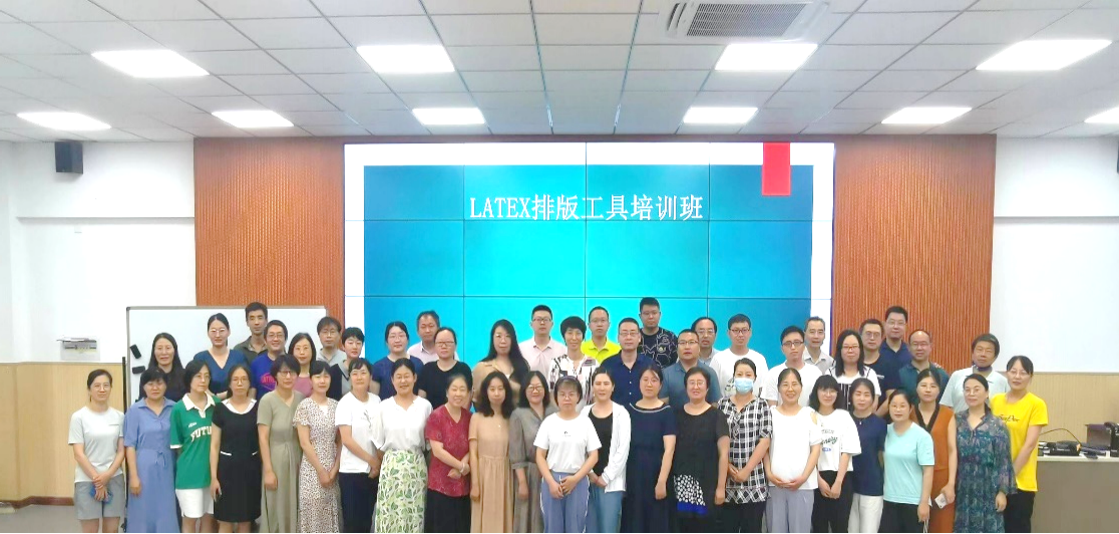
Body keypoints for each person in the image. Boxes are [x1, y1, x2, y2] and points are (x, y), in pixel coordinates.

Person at [371, 359, 433, 533]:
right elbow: (378, 445)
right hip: (391, 469)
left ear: (414, 378)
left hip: (416, 467)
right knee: (390, 516)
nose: (403, 380)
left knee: (414, 516)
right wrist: (395, 460)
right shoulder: (383, 407)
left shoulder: (425, 406)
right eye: (398, 377)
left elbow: (429, 445)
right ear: (392, 380)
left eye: (407, 376)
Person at [536, 376, 601, 534]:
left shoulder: (585, 422)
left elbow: (594, 455)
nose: (567, 398)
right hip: (553, 481)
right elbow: (540, 455)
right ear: (556, 397)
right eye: (562, 394)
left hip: (577, 481)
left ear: (578, 397)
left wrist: (575, 479)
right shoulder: (549, 422)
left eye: (571, 394)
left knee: (576, 527)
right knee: (552, 528)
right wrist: (551, 482)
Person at [991, 356, 1048, 534]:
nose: (1017, 376)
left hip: (1020, 483)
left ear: (1030, 376)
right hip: (993, 480)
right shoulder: (995, 401)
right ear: (1006, 374)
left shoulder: (1036, 404)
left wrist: (1007, 480)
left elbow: (1029, 445)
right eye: (1013, 371)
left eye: (1023, 373)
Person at [954, 374, 1016, 533]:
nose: (971, 394)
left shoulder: (997, 425)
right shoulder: (956, 421)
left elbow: (1004, 461)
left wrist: (1002, 492)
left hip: (988, 488)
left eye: (976, 389)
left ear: (987, 393)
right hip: (962, 488)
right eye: (967, 390)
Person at [715, 357, 770, 534]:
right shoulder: (722, 404)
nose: (743, 378)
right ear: (733, 377)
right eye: (739, 374)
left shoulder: (762, 405)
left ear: (755, 378)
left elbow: (765, 440)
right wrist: (727, 466)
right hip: (726, 481)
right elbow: (715, 438)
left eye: (748, 375)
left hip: (754, 481)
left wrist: (746, 470)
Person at [764, 368, 822, 534]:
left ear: (801, 388)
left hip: (803, 486)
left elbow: (816, 449)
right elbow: (764, 448)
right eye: (785, 385)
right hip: (775, 485)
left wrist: (804, 477)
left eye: (794, 384)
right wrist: (769, 474)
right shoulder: (770, 414)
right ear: (778, 388)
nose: (790, 389)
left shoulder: (810, 414)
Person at [672, 367, 730, 533]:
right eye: (692, 383)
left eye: (700, 383)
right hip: (680, 486)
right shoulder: (675, 415)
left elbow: (723, 454)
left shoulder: (717, 416)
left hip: (708, 486)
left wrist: (721, 487)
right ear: (686, 387)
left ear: (707, 387)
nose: (696, 387)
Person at [620, 366, 677, 533]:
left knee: (656, 522)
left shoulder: (667, 412)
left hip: (657, 475)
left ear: (661, 385)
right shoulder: (628, 411)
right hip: (633, 476)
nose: (649, 384)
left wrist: (661, 481)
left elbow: (669, 449)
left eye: (654, 380)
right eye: (645, 380)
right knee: (633, 522)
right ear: (639, 383)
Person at [70, 369, 125, 534]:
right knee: (90, 530)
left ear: (111, 388)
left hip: (113, 478)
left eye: (106, 385)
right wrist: (98, 480)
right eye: (97, 386)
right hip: (87, 479)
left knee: (112, 529)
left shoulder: (119, 416)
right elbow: (79, 454)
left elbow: (121, 451)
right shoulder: (79, 417)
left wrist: (107, 475)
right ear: (89, 389)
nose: (102, 389)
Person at [125, 368, 178, 533]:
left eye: (159, 383)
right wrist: (133, 476)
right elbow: (130, 445)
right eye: (150, 384)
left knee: (166, 510)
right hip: (143, 467)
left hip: (168, 467)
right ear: (143, 386)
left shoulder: (174, 408)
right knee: (142, 511)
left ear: (166, 385)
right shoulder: (135, 410)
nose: (155, 387)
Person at [209, 364, 261, 532]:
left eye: (244, 379)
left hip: (251, 470)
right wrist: (213, 477)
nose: (240, 383)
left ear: (249, 383)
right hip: (226, 471)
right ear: (229, 384)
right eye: (235, 379)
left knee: (246, 520)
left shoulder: (258, 407)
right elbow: (214, 445)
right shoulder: (220, 408)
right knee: (225, 520)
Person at [257, 355, 304, 533]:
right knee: (276, 503)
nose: (288, 377)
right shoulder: (267, 400)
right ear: (275, 375)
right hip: (276, 459)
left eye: (292, 373)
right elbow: (263, 437)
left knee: (297, 502)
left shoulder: (301, 398)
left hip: (298, 457)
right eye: (284, 372)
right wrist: (268, 470)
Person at [809, 375, 861, 534]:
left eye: (832, 391)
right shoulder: (810, 416)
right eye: (824, 390)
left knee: (840, 526)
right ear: (816, 392)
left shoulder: (844, 416)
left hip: (841, 477)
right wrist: (818, 480)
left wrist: (839, 482)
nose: (828, 394)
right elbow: (807, 452)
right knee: (818, 526)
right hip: (815, 477)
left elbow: (847, 451)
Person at [294, 361, 342, 533]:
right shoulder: (304, 406)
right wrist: (321, 471)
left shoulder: (337, 406)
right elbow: (304, 442)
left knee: (331, 512)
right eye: (318, 376)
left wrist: (335, 469)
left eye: (326, 376)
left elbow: (340, 440)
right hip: (312, 468)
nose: (322, 380)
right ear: (311, 380)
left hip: (332, 465)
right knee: (313, 512)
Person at [171, 361, 217, 534]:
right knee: (190, 520)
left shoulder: (217, 404)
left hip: (213, 476)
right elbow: (178, 447)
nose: (203, 380)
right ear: (189, 379)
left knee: (209, 519)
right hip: (189, 477)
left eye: (206, 376)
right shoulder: (178, 409)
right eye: (198, 376)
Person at [336, 359, 381, 534]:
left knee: (368, 520)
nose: (359, 377)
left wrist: (377, 463)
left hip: (373, 472)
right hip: (352, 472)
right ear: (350, 377)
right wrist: (372, 460)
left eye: (363, 373)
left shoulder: (377, 401)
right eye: (355, 373)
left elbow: (380, 434)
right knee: (353, 524)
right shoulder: (345, 403)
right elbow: (347, 440)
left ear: (370, 376)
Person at [583, 369, 631, 534]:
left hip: (611, 483)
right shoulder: (584, 412)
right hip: (586, 481)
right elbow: (580, 447)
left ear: (613, 387)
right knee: (589, 528)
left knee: (609, 528)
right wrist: (590, 473)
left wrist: (606, 476)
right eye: (598, 383)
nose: (601, 387)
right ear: (592, 387)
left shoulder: (621, 413)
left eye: (606, 383)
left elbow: (622, 449)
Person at [424, 374, 473, 534]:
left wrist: (462, 469)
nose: (458, 393)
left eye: (462, 390)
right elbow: (438, 451)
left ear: (468, 393)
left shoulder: (470, 418)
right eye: (454, 389)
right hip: (440, 485)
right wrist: (462, 466)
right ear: (447, 392)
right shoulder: (436, 416)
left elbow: (472, 447)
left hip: (462, 484)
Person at [509, 371, 557, 534]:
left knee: (551, 518)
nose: (535, 391)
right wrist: (522, 482)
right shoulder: (518, 414)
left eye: (538, 387)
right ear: (524, 390)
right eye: (531, 387)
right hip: (530, 473)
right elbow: (516, 453)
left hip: (553, 472)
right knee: (529, 518)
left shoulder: (554, 411)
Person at [881, 390, 934, 533]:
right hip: (889, 499)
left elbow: (928, 471)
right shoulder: (884, 431)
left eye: (902, 406)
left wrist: (924, 502)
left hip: (914, 501)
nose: (898, 410)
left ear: (911, 408)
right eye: (894, 406)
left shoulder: (922, 436)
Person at [912, 369, 958, 534]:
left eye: (933, 386)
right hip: (914, 477)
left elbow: (952, 450)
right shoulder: (908, 412)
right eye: (923, 385)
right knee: (914, 523)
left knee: (941, 525)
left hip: (941, 477)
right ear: (916, 388)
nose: (928, 390)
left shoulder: (948, 414)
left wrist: (951, 483)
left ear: (939, 390)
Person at [470, 371, 515, 533]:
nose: (496, 393)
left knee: (505, 519)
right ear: (486, 392)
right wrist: (475, 484)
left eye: (500, 389)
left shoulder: (512, 418)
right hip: (483, 476)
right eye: (492, 389)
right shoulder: (477, 418)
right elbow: (473, 454)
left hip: (506, 475)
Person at [848, 379, 886, 534]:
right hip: (847, 486)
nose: (862, 398)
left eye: (866, 395)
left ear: (873, 398)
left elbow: (882, 457)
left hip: (872, 486)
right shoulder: (844, 420)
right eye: (858, 394)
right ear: (851, 396)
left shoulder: (880, 424)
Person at [941, 334, 1011, 414]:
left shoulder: (1003, 382)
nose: (983, 354)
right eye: (979, 350)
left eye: (988, 351)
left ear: (995, 357)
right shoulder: (957, 376)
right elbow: (945, 407)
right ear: (972, 354)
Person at [194, 313, 252, 400]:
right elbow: (196, 383)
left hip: (236, 403)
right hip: (207, 404)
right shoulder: (200, 358)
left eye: (221, 331)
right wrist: (214, 398)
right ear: (208, 333)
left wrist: (220, 396)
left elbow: (246, 382)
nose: (217, 335)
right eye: (213, 331)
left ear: (228, 332)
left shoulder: (239, 357)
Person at [547, 316, 600, 410]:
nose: (574, 337)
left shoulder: (593, 363)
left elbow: (596, 395)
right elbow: (551, 394)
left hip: (587, 415)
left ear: (583, 336)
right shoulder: (556, 363)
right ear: (564, 336)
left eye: (578, 333)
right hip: (562, 415)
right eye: (570, 333)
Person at [762, 326, 822, 407]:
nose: (793, 347)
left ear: (804, 346)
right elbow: (771, 408)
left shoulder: (815, 373)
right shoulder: (773, 374)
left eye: (797, 343)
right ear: (782, 349)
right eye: (788, 344)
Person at [599, 317, 653, 407]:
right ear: (618, 338)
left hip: (644, 413)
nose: (628, 337)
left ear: (639, 337)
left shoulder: (649, 364)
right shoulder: (607, 364)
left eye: (632, 333)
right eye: (624, 334)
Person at [474, 319, 530, 406]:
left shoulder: (523, 365)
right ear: (492, 339)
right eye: (498, 336)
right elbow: (476, 399)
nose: (503, 341)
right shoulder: (482, 367)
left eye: (507, 336)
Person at [711, 314, 769, 398]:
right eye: (736, 330)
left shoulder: (759, 359)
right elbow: (712, 388)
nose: (740, 335)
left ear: (750, 332)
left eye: (744, 330)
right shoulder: (718, 359)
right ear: (728, 333)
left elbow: (764, 389)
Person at [417, 327, 473, 410]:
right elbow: (421, 399)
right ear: (435, 346)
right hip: (432, 416)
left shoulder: (464, 369)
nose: (444, 346)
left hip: (458, 416)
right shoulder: (427, 369)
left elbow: (468, 397)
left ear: (455, 346)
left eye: (448, 342)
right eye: (440, 343)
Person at [662, 329, 720, 407]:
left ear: (699, 347)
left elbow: (715, 403)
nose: (687, 347)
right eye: (682, 343)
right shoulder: (666, 374)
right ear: (677, 348)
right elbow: (662, 405)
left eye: (691, 342)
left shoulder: (709, 372)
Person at [827, 330, 882, 412]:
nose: (850, 351)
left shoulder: (870, 374)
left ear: (860, 349)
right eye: (846, 347)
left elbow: (874, 404)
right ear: (839, 350)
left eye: (854, 347)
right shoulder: (830, 373)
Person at [371, 321, 424, 401]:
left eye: (401, 336)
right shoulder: (378, 366)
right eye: (392, 336)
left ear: (407, 339)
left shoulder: (417, 364)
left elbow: (421, 396)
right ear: (386, 341)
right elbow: (374, 398)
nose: (397, 340)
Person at [897, 330, 948, 404]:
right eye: (915, 344)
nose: (919, 348)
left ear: (930, 347)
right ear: (909, 347)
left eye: (923, 344)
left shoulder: (941, 375)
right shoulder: (900, 374)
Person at [859, 319, 897, 417]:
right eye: (868, 334)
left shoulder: (890, 365)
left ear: (881, 338)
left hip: (880, 420)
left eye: (876, 335)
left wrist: (874, 419)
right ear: (860, 336)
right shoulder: (852, 362)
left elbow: (891, 398)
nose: (872, 338)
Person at [521, 305, 567, 376]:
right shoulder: (521, 349)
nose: (542, 323)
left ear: (552, 324)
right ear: (531, 324)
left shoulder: (563, 350)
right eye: (538, 319)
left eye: (546, 319)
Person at [251, 320, 288, 400]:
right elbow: (252, 395)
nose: (275, 339)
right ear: (265, 340)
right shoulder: (256, 364)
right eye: (271, 335)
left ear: (285, 339)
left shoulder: (292, 363)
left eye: (279, 335)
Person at [638, 297, 678, 368]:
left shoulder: (670, 337)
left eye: (654, 313)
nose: (651, 317)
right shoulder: (634, 337)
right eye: (646, 313)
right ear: (640, 316)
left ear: (660, 315)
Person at [327, 327, 366, 401]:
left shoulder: (368, 370)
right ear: (343, 346)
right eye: (350, 343)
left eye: (358, 343)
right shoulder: (333, 371)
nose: (354, 347)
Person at [148, 333, 187, 402]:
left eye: (168, 348)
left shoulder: (185, 376)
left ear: (175, 351)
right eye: (159, 348)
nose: (164, 352)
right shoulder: (147, 376)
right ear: (154, 351)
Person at [289, 333, 317, 398]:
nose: (302, 352)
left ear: (312, 350)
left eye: (305, 348)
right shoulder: (286, 376)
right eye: (298, 349)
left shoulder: (319, 374)